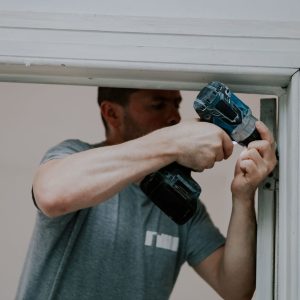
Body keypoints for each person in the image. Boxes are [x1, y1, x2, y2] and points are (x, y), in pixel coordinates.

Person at [16, 87, 277, 300]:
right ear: (112, 113)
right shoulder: (75, 156)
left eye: (176, 104)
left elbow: (235, 288)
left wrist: (242, 197)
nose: (174, 116)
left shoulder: (180, 201)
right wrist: (173, 141)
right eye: (158, 105)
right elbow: (51, 194)